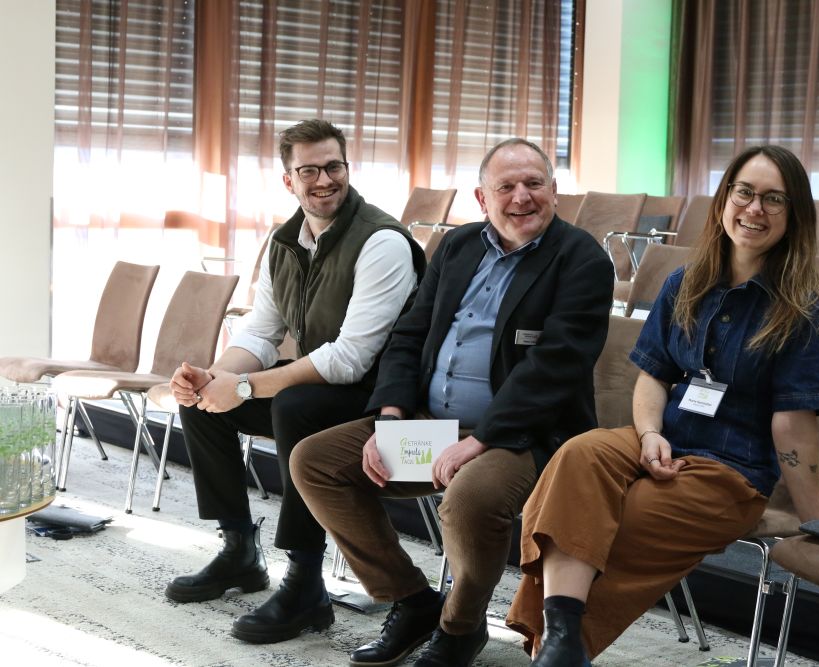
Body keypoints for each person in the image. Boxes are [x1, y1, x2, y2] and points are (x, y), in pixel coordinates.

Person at [505, 145, 819, 665]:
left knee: (613, 521)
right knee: (578, 455)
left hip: (731, 470)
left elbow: (792, 424)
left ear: (794, 214)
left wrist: (818, 523)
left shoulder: (804, 309)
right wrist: (650, 435)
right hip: (667, 438)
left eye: (774, 199)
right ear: (724, 199)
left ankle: (555, 646)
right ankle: (563, 641)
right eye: (745, 192)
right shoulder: (686, 283)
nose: (755, 209)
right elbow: (653, 377)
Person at [289, 138, 615, 667]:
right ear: (482, 199)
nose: (522, 197)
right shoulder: (459, 246)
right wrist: (390, 418)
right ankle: (412, 600)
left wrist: (479, 441)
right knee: (316, 461)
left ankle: (460, 627)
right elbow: (410, 334)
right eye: (505, 186)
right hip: (433, 426)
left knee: (469, 500)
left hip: (523, 436)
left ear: (554, 191)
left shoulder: (582, 260)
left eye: (534, 183)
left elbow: (554, 368)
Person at [164, 119, 425, 645]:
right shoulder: (284, 242)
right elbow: (262, 332)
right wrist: (213, 378)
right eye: (309, 170)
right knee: (200, 403)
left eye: (333, 167)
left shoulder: (382, 242)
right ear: (289, 180)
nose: (323, 180)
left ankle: (305, 580)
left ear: (347, 168)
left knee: (295, 406)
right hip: (321, 388)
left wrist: (243, 387)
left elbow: (351, 359)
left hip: (384, 401)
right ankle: (239, 549)